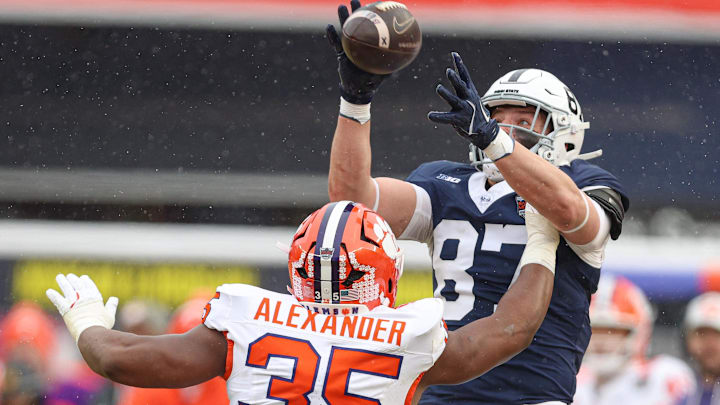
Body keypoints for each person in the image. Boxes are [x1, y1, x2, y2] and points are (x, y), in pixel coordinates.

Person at [325, 1, 630, 402]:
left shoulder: (585, 183)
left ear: (564, 134)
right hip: (442, 389)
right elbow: (352, 203)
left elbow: (570, 211)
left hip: (532, 393)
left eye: (523, 122)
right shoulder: (445, 181)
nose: (505, 130)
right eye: (497, 118)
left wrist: (494, 139)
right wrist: (355, 102)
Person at [46, 201, 558, 404]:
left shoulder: (248, 319)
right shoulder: (410, 336)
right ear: (385, 269)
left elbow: (115, 358)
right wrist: (542, 241)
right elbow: (512, 328)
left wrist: (87, 323)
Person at [573, 275, 695, 405]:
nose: (601, 342)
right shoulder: (572, 383)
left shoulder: (663, 378)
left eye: (613, 331)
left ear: (638, 334)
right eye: (594, 331)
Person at [680, 292, 720, 404]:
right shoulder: (675, 390)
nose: (710, 343)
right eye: (702, 333)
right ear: (686, 339)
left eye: (717, 334)